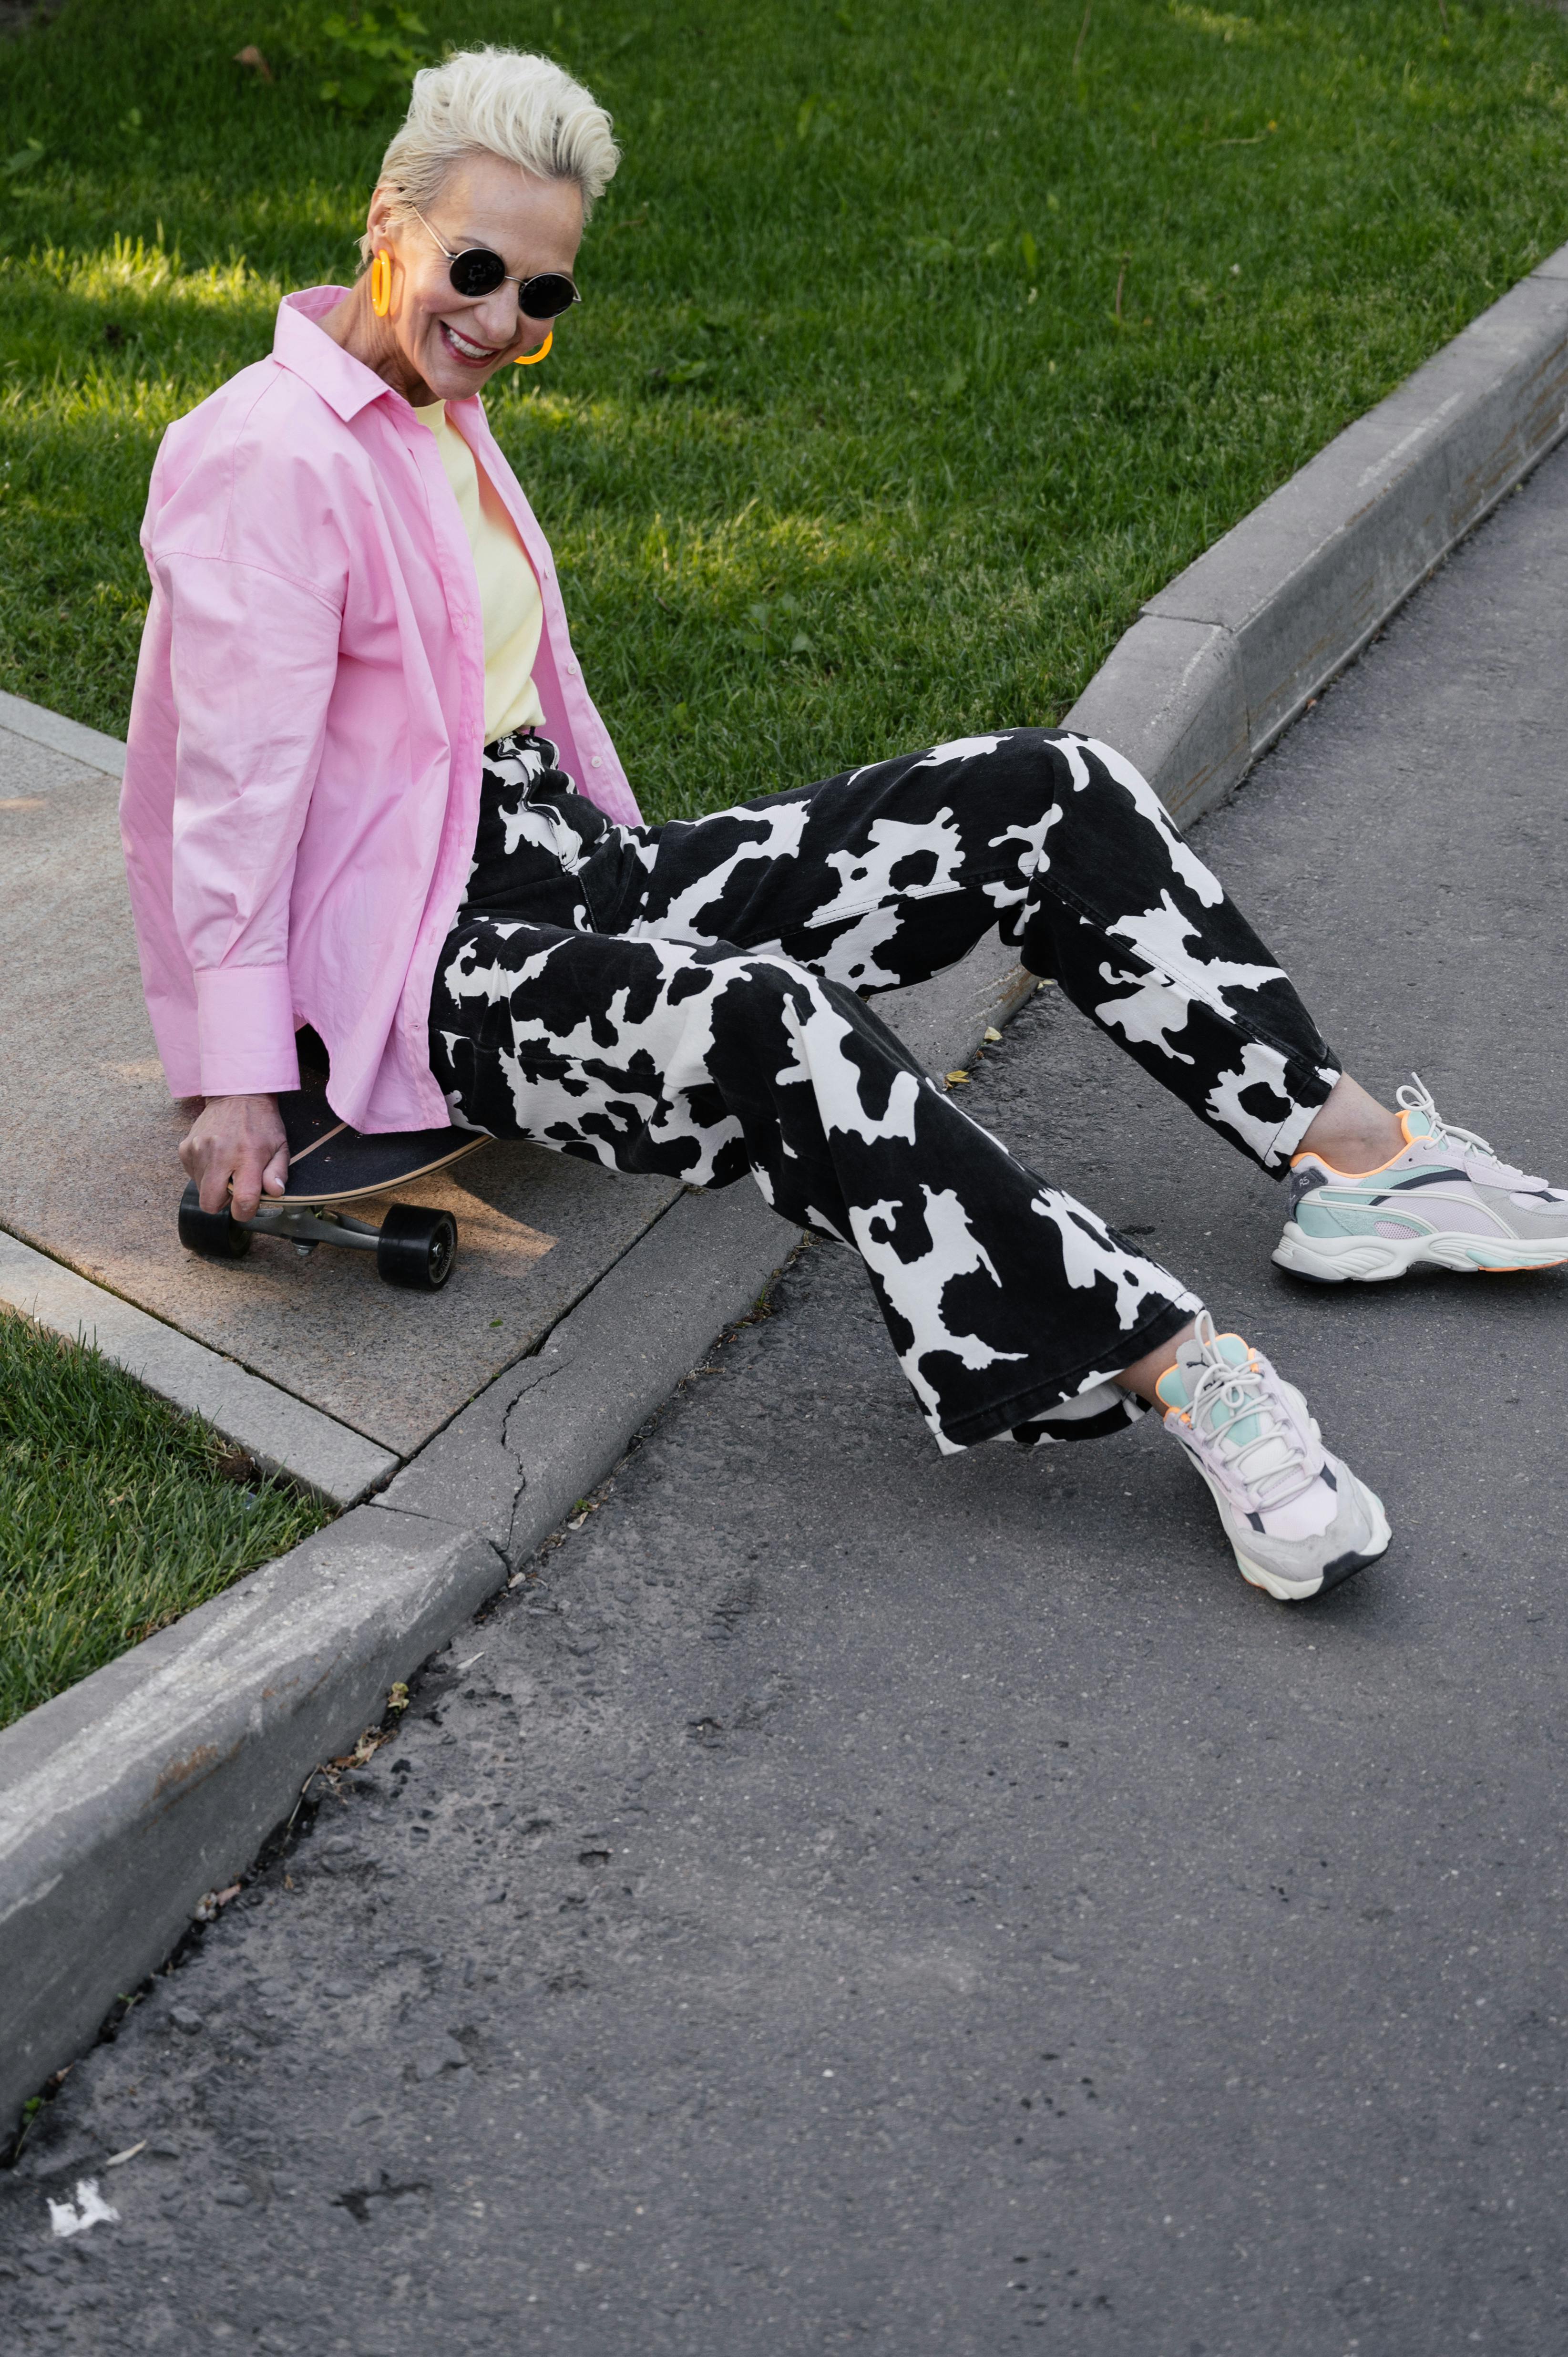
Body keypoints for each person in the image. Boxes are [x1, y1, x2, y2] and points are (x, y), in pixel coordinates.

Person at [120, 48, 1568, 1606]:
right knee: (781, 1023)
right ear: (382, 226)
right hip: (427, 963)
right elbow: (232, 790)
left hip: (562, 868)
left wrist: (629, 875)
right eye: (476, 270)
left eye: (544, 297)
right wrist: (236, 1076)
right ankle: (1180, 1366)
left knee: (1046, 790)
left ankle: (1358, 1161)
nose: (501, 321)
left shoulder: (430, 409)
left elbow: (500, 706)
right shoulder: (266, 456)